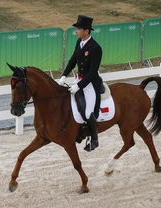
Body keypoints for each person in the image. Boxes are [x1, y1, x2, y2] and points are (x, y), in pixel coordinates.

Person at [58, 15, 103, 152]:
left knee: (88, 111)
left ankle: (94, 139)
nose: (76, 31)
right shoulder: (79, 42)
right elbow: (73, 60)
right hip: (79, 78)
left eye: (78, 29)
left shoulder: (96, 48)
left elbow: (93, 72)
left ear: (87, 30)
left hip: (90, 83)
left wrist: (79, 86)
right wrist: (64, 75)